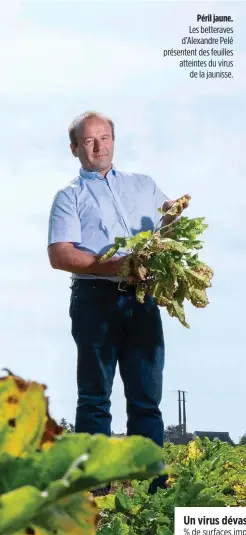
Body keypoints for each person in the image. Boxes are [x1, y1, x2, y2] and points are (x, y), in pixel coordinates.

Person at [47, 111, 189, 494]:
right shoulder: (69, 197)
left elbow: (168, 228)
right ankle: (94, 489)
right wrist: (116, 265)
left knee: (146, 396)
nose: (99, 146)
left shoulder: (144, 185)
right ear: (75, 147)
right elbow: (61, 254)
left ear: (113, 140)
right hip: (95, 300)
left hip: (142, 301)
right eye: (90, 140)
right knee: (95, 396)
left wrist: (176, 221)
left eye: (105, 137)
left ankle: (151, 487)